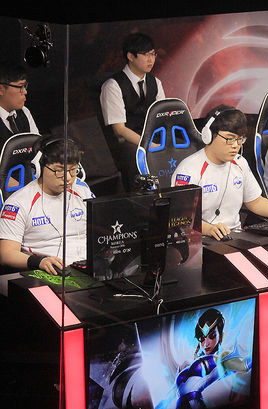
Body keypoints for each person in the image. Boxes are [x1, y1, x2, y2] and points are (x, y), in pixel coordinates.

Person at [171, 105, 268, 240]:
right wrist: (209, 229)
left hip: (236, 236)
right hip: (202, 240)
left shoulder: (240, 163)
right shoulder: (188, 170)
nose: (235, 145)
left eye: (240, 139)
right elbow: (181, 218)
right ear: (209, 135)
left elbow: (255, 202)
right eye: (229, 138)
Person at [0, 136, 93, 274]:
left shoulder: (83, 192)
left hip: (89, 266)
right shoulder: (18, 203)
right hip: (51, 272)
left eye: (73, 170)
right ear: (39, 168)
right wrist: (40, 262)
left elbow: (101, 230)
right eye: (59, 170)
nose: (68, 178)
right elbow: (6, 254)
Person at [100, 32, 165, 189]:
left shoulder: (155, 82)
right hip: (128, 141)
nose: (151, 60)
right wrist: (148, 145)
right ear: (130, 56)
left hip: (152, 136)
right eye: (145, 55)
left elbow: (162, 116)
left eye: (153, 54)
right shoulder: (113, 85)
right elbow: (120, 130)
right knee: (136, 154)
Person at [175, 308, 251, 409]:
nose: (206, 344)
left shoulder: (223, 359)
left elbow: (245, 365)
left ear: (220, 335)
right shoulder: (188, 363)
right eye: (202, 338)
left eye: (212, 336)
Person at [0, 62, 39, 145]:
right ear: (1, 89)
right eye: (20, 86)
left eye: (25, 86)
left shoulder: (24, 112)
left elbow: (37, 147)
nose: (25, 91)